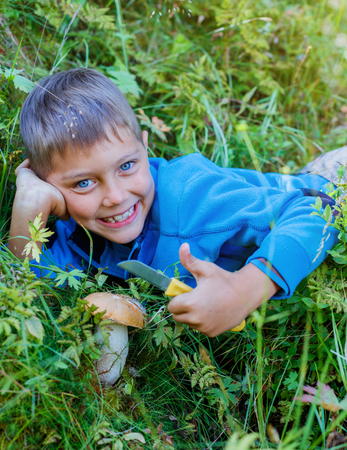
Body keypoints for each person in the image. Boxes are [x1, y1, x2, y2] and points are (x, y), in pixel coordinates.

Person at [8, 68, 342, 337]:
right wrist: (28, 208)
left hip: (332, 184)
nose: (116, 197)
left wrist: (245, 290)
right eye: (83, 182)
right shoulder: (77, 237)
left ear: (145, 148)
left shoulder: (194, 196)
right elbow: (18, 286)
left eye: (127, 166)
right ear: (50, 186)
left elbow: (319, 210)